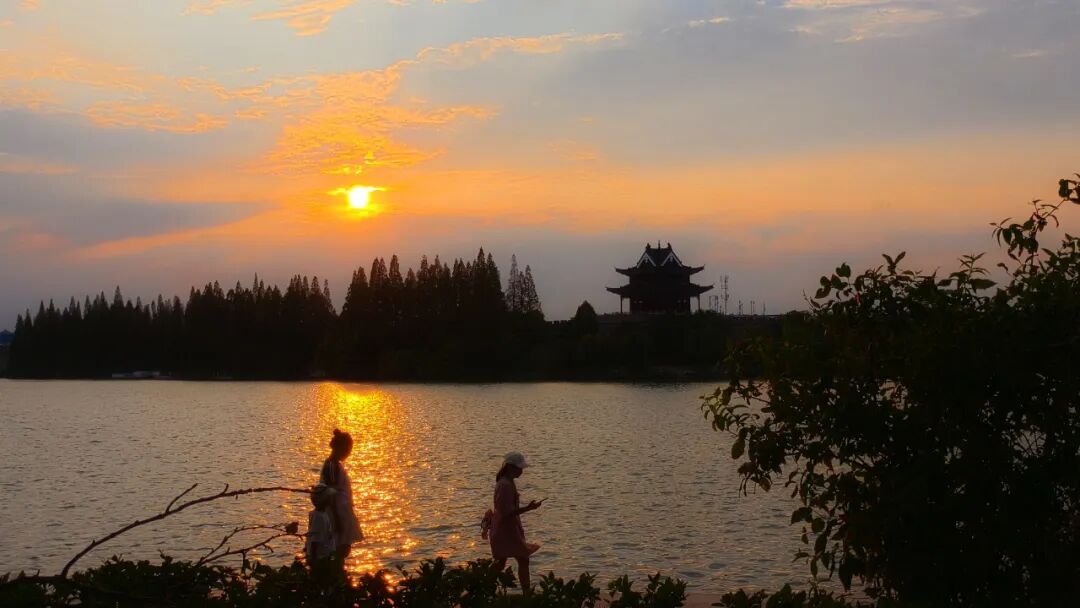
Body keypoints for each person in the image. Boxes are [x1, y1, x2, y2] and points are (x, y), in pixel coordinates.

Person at [488, 451, 542, 594]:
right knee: (512, 560)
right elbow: (506, 512)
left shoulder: (506, 482)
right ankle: (526, 595)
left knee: (505, 561)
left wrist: (527, 508)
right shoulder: (505, 485)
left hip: (508, 528)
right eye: (520, 468)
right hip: (505, 530)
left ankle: (484, 586)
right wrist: (528, 508)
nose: (521, 471)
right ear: (511, 468)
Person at [319, 428, 363, 566]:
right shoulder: (332, 466)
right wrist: (337, 519)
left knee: (343, 548)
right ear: (341, 448)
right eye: (348, 449)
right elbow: (330, 493)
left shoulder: (335, 465)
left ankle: (339, 571)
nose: (349, 452)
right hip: (336, 513)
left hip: (342, 512)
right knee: (339, 548)